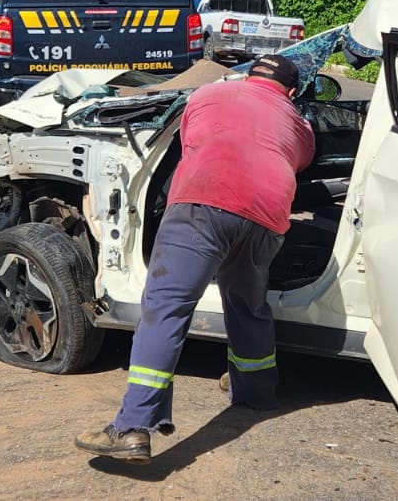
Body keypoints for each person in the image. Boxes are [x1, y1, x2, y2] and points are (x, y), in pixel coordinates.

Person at [76, 53, 314, 463]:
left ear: (247, 76)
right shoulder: (299, 122)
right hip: (266, 219)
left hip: (203, 203)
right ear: (290, 92)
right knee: (247, 304)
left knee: (166, 308)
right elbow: (301, 158)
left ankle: (133, 427)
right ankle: (257, 393)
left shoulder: (207, 95)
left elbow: (190, 144)